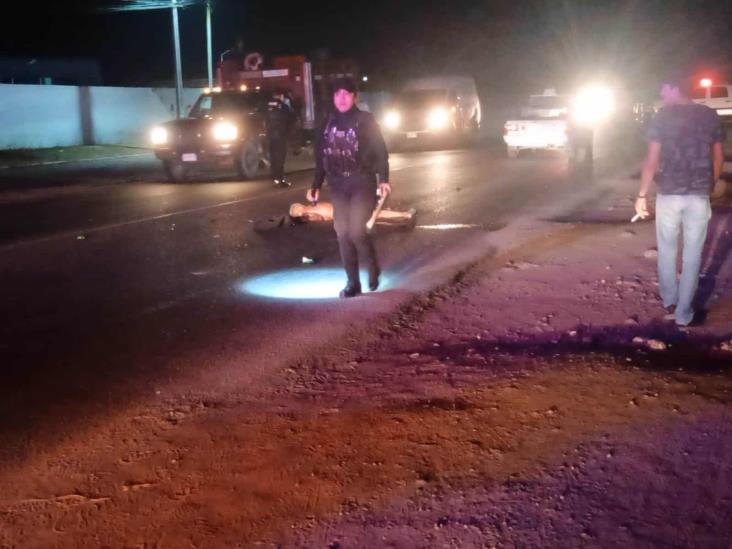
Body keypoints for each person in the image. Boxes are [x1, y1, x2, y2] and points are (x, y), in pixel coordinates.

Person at [635, 72, 724, 326]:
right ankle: (684, 314)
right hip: (698, 194)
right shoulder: (709, 116)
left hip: (669, 194)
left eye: (665, 89)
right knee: (693, 255)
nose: (662, 94)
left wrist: (642, 194)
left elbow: (651, 159)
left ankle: (669, 299)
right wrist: (711, 183)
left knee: (667, 248)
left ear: (675, 89)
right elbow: (717, 156)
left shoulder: (662, 117)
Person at [306, 77, 391, 298]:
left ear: (355, 96)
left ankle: (372, 268)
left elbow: (380, 151)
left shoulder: (366, 120)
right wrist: (315, 184)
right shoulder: (327, 121)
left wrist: (383, 179)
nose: (341, 98)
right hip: (338, 184)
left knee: (356, 231)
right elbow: (321, 155)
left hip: (362, 181)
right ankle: (352, 283)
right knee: (342, 233)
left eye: (346, 94)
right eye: (337, 94)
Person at [265, 89, 294, 187]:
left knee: (273, 157)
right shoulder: (284, 106)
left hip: (270, 136)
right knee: (280, 158)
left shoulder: (266, 105)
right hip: (281, 136)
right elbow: (292, 118)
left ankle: (274, 177)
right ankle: (280, 179)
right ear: (281, 96)